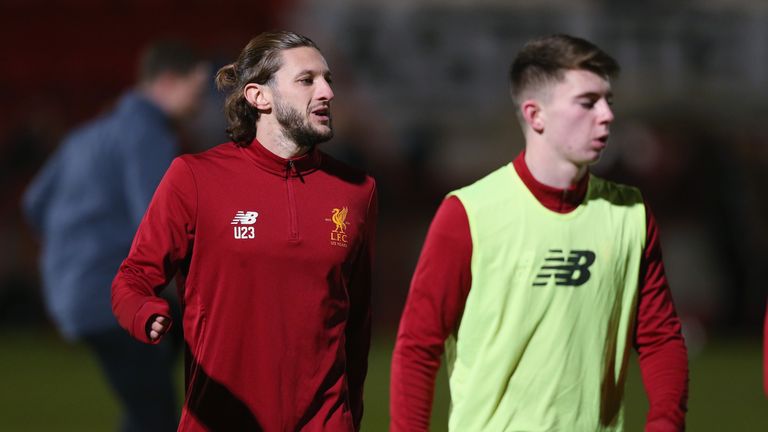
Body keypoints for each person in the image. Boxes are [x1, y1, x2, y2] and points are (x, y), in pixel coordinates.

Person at [390, 34, 689, 431]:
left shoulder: (629, 214)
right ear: (536, 115)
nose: (607, 116)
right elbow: (417, 347)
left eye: (608, 102)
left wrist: (666, 423)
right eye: (587, 102)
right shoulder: (468, 213)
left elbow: (660, 338)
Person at [111, 30, 377, 431]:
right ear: (259, 97)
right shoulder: (194, 178)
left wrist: (350, 416)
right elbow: (132, 278)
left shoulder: (359, 190)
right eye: (307, 80)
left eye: (328, 80)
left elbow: (357, 322)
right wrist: (144, 313)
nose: (326, 92)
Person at [22, 40, 209, 431]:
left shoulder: (89, 134)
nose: (200, 101)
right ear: (169, 82)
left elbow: (34, 204)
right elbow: (158, 220)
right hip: (109, 294)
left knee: (153, 382)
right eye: (196, 88)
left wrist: (70, 251)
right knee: (155, 414)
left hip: (69, 290)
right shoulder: (150, 134)